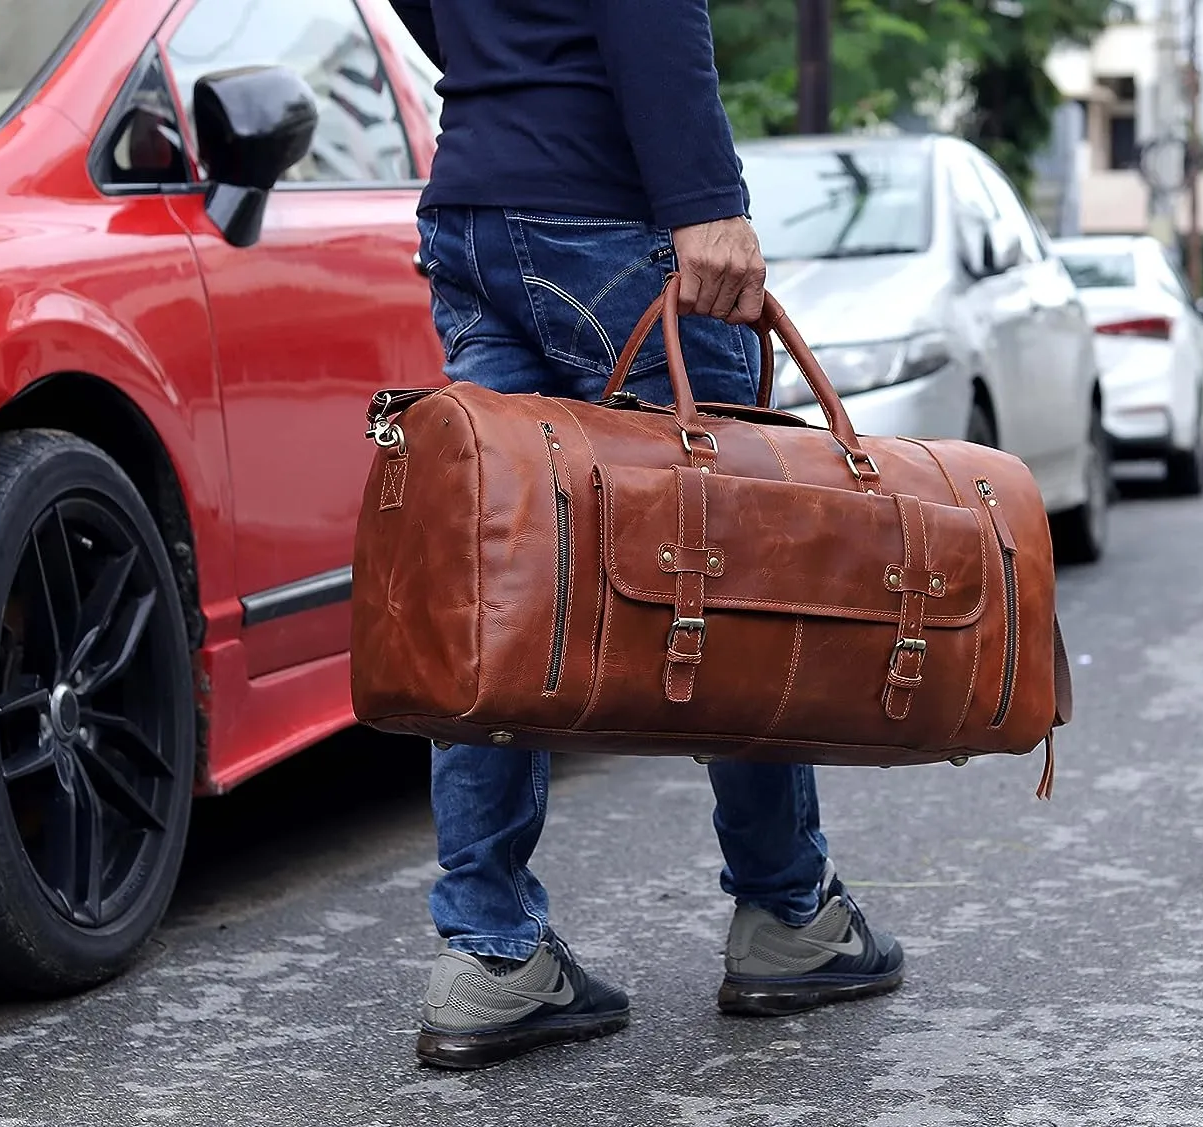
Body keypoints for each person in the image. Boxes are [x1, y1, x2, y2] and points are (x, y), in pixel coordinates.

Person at [390, 0, 906, 1071]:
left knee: (500, 570)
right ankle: (789, 913)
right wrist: (705, 201)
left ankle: (489, 951)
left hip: (475, 204)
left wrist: (511, 71)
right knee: (734, 554)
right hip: (608, 210)